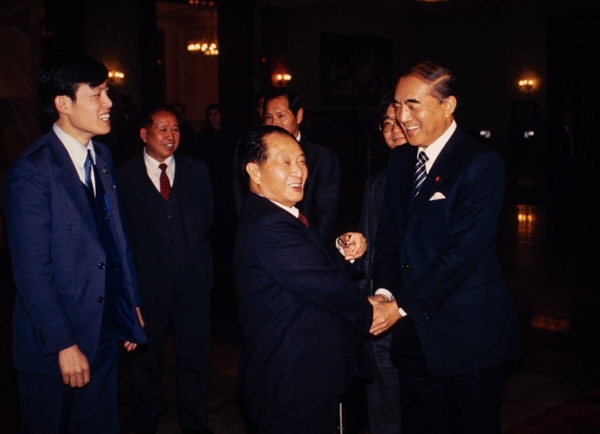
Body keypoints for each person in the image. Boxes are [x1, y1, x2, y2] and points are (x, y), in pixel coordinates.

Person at [373, 61, 521, 433]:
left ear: (448, 105)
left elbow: (463, 254)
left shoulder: (481, 164)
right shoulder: (400, 160)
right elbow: (390, 235)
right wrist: (384, 292)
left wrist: (399, 307)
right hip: (412, 337)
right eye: (396, 105)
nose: (401, 116)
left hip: (469, 338)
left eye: (412, 105)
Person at [2, 53, 146, 434]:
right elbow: (32, 269)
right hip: (56, 346)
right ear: (63, 104)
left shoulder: (102, 157)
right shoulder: (31, 171)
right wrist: (64, 346)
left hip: (105, 331)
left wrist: (129, 306)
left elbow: (117, 239)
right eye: (97, 94)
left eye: (107, 93)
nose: (109, 103)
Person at [233, 125, 394, 434]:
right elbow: (324, 284)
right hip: (292, 383)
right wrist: (375, 309)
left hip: (299, 377)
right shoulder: (269, 223)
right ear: (255, 170)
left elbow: (302, 271)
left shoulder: (277, 214)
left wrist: (336, 249)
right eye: (285, 162)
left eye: (302, 161)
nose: (299, 171)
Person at [116, 106, 214, 434]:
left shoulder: (197, 170)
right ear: (144, 134)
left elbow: (208, 221)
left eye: (175, 129)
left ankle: (195, 426)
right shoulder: (122, 177)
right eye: (162, 129)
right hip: (147, 286)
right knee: (145, 364)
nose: (171, 136)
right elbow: (120, 233)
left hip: (193, 282)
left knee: (196, 362)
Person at [358, 91, 407, 434]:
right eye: (387, 123)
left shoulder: (431, 177)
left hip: (421, 312)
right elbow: (370, 245)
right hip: (382, 309)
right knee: (384, 405)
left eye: (400, 122)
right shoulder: (376, 184)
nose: (394, 129)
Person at [262, 88, 341, 243]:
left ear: (298, 116)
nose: (274, 123)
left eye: (281, 116)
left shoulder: (321, 158)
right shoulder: (259, 157)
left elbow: (324, 219)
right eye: (268, 117)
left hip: (304, 247)